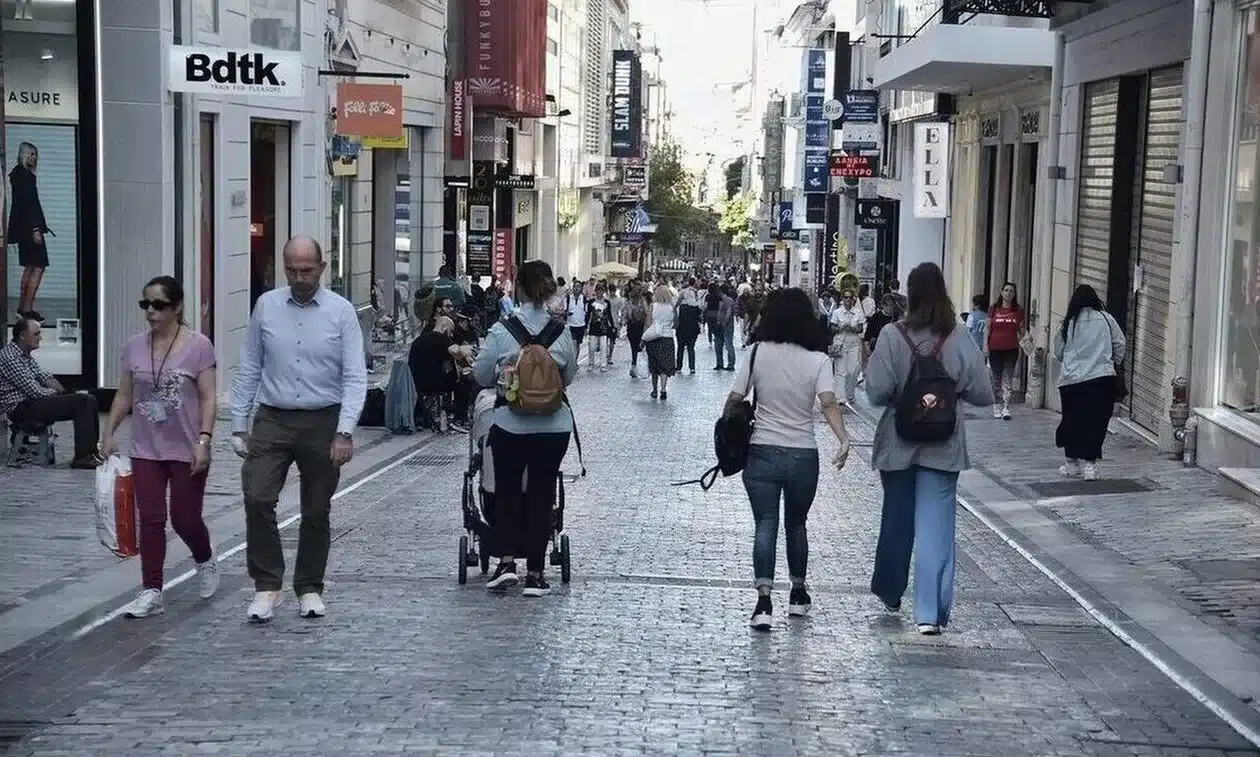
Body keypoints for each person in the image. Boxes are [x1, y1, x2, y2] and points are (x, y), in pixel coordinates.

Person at [230, 235, 367, 624]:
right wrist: (239, 424)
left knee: (316, 509)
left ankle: (309, 586)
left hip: (324, 418)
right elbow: (250, 365)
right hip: (273, 417)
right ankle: (267, 584)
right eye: (291, 270)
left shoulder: (341, 312)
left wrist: (344, 431)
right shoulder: (266, 306)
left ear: (322, 268)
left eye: (307, 270)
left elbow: (355, 375)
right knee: (257, 496)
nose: (299, 277)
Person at [864, 262, 994, 636]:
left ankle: (891, 591)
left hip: (899, 442)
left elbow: (876, 391)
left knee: (897, 520)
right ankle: (928, 614)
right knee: (936, 528)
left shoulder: (892, 335)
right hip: (944, 444)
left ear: (910, 293)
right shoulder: (958, 336)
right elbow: (983, 392)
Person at [730, 288, 851, 630]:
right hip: (802, 454)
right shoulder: (818, 360)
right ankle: (798, 594)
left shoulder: (757, 353)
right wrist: (843, 439)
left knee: (765, 523)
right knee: (797, 524)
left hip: (762, 452)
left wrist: (728, 432)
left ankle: (763, 602)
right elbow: (828, 402)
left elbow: (735, 398)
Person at [100, 276, 218, 619]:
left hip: (187, 447)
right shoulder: (134, 347)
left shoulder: (199, 346)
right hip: (146, 447)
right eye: (146, 304)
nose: (151, 311)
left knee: (185, 519)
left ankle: (205, 557)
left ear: (176, 307)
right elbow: (124, 394)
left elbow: (209, 397)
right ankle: (151, 590)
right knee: (151, 520)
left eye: (159, 305)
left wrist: (204, 440)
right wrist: (108, 433)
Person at [472, 260, 577, 596]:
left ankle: (505, 563)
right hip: (553, 426)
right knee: (542, 494)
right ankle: (535, 573)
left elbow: (481, 374)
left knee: (507, 490)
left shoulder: (503, 330)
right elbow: (568, 377)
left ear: (518, 288)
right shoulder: (561, 332)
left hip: (511, 423)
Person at [0, 318, 100, 468]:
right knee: (83, 402)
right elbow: (35, 391)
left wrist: (62, 391)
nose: (40, 338)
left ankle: (91, 452)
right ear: (22, 336)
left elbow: (44, 377)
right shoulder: (9, 357)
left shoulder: (25, 356)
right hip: (21, 408)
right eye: (36, 334)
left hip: (32, 403)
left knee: (90, 399)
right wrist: (56, 393)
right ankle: (82, 457)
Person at [1054, 284, 1126, 481]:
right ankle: (1090, 466)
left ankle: (1071, 464)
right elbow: (1120, 343)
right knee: (1096, 422)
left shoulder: (1068, 323)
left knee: (1072, 420)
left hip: (1072, 380)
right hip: (1102, 378)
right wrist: (1112, 361)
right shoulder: (1106, 319)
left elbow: (1058, 351)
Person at [8, 142, 51, 323]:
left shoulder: (18, 174)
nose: (34, 158)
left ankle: (22, 309)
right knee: (38, 267)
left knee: (30, 267)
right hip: (31, 229)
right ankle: (27, 310)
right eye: (30, 154)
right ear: (23, 155)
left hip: (24, 230)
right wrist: (35, 229)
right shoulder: (25, 177)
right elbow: (29, 205)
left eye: (35, 155)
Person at [984, 281, 1025, 420]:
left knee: (1008, 378)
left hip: (1011, 349)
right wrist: (985, 346)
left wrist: (1025, 336)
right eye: (1006, 290)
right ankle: (997, 405)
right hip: (995, 348)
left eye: (1011, 291)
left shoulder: (1018, 310)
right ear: (1001, 292)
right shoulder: (994, 308)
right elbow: (987, 328)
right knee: (996, 379)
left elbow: (1021, 330)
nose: (1008, 293)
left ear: (1014, 294)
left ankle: (1006, 407)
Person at [828, 288, 866, 406]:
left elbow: (860, 328)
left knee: (853, 370)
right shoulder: (837, 312)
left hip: (854, 343)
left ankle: (850, 394)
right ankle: (840, 397)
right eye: (845, 297)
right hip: (841, 342)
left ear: (853, 299)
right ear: (842, 299)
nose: (848, 300)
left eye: (850, 297)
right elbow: (832, 328)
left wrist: (853, 328)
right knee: (840, 371)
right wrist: (840, 327)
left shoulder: (858, 312)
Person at [645, 284, 677, 400]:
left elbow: (648, 323)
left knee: (654, 364)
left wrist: (644, 337)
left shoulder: (652, 306)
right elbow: (676, 324)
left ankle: (654, 389)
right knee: (665, 364)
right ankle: (663, 389)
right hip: (667, 337)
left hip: (654, 337)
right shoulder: (672, 307)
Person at [675, 277, 703, 374]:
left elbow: (676, 310)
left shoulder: (681, 305)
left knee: (680, 347)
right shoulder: (696, 301)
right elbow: (700, 313)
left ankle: (679, 367)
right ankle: (692, 367)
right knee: (691, 348)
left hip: (682, 327)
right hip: (693, 327)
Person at [585, 283, 615, 371]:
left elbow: (609, 315)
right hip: (593, 326)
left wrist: (612, 325)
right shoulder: (591, 302)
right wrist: (586, 326)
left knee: (603, 346)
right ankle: (591, 363)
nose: (600, 292)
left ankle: (603, 364)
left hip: (603, 327)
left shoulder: (607, 303)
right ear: (596, 291)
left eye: (601, 290)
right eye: (598, 290)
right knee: (592, 346)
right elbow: (588, 315)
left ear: (603, 291)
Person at [625, 282, 650, 379]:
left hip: (635, 326)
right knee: (639, 347)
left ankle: (634, 365)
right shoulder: (640, 302)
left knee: (635, 348)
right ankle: (637, 366)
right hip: (638, 326)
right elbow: (647, 313)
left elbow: (627, 315)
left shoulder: (632, 302)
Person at [714, 283, 737, 372]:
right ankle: (720, 363)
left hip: (726, 325)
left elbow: (728, 312)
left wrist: (724, 322)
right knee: (719, 345)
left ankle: (730, 364)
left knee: (728, 345)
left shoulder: (728, 300)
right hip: (722, 325)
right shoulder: (724, 300)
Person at [566, 280, 588, 362]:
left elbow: (587, 313)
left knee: (577, 344)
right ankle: (573, 362)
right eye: (575, 286)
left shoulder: (584, 299)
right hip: (570, 325)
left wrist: (586, 326)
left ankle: (575, 361)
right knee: (573, 343)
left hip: (580, 325)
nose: (576, 288)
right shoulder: (568, 298)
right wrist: (566, 313)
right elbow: (564, 310)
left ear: (581, 288)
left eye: (578, 287)